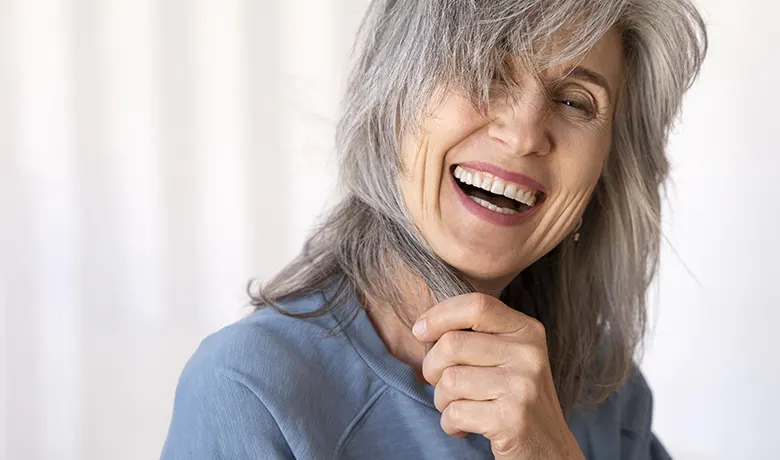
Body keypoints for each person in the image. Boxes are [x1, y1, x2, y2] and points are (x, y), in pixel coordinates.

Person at [161, 0, 707, 458]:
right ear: (393, 95)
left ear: (607, 169)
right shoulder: (248, 389)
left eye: (574, 101)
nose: (523, 134)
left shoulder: (607, 391)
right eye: (484, 70)